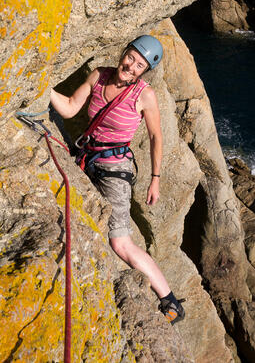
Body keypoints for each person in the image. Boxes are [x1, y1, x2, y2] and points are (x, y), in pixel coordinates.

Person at [50, 35, 185, 325]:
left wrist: (155, 179)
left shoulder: (144, 96)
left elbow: (155, 136)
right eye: (131, 58)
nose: (131, 66)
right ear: (124, 53)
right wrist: (42, 90)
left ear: (144, 71)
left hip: (115, 169)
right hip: (87, 158)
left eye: (139, 65)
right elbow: (72, 107)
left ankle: (169, 300)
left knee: (120, 242)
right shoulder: (99, 75)